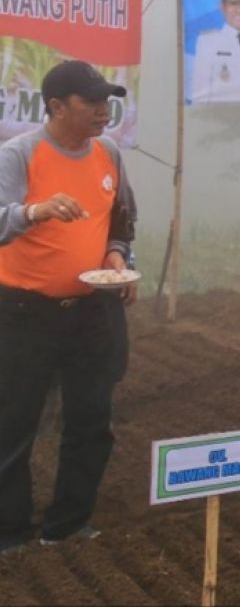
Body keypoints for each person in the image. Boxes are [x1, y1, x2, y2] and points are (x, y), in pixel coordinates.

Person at [0, 61, 136, 552]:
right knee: (14, 424)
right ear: (56, 107)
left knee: (91, 421)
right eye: (92, 102)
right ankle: (9, 533)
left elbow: (120, 221)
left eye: (108, 101)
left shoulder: (109, 153)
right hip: (23, 312)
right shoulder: (19, 155)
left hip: (90, 312)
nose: (104, 111)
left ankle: (68, 524)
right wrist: (34, 211)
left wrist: (119, 256)